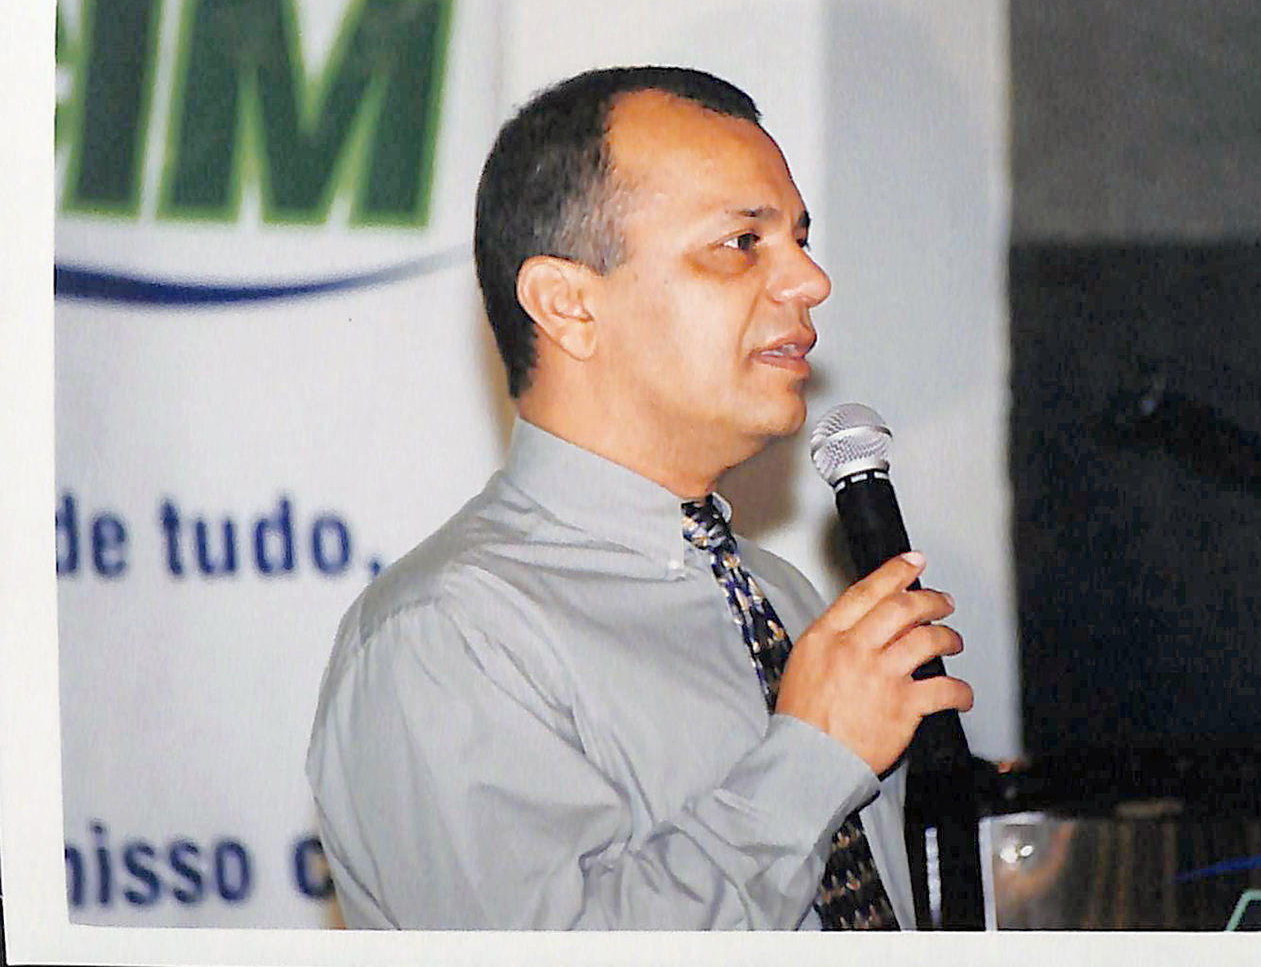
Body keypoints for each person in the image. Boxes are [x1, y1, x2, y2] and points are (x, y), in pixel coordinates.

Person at [305, 66, 972, 930]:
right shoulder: (446, 637)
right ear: (568, 307)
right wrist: (813, 758)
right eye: (742, 243)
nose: (810, 281)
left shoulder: (782, 598)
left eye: (800, 240)